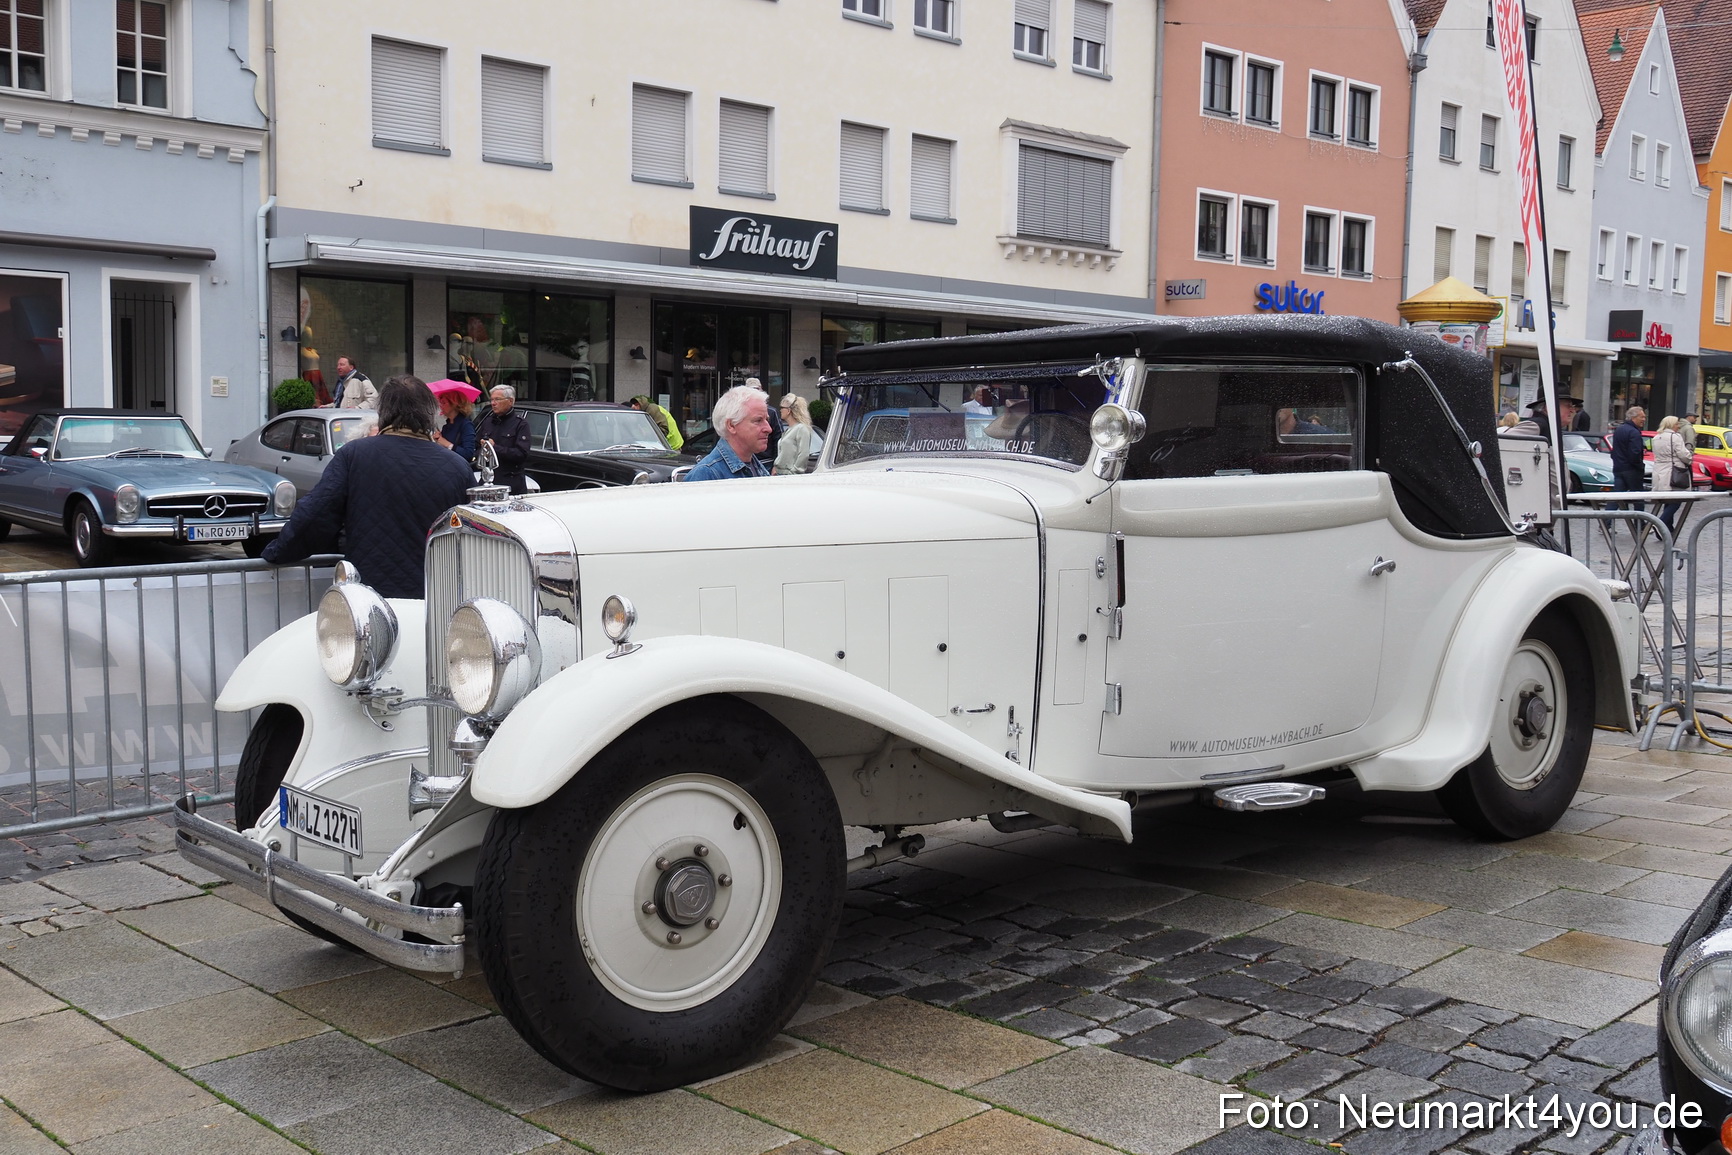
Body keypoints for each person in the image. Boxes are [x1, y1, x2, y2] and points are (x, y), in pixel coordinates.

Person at [262, 376, 473, 599]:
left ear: (383, 411)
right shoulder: (457, 466)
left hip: (370, 596)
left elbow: (316, 513)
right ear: (429, 412)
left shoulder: (355, 454)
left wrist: (278, 552)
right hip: (436, 597)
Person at [682, 384, 772, 481]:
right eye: (758, 421)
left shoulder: (756, 466)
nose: (768, 429)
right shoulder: (706, 474)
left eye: (767, 420)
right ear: (731, 425)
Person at [474, 385, 532, 494]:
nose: (493, 403)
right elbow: (476, 448)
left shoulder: (520, 424)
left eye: (497, 399)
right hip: (488, 482)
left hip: (510, 484)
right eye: (491, 400)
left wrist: (494, 448)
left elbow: (522, 454)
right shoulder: (488, 422)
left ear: (510, 401)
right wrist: (484, 452)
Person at [1651, 415, 1693, 530]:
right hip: (1673, 472)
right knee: (1676, 500)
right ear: (1671, 425)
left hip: (1659, 472)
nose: (1678, 426)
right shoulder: (1675, 437)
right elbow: (1683, 455)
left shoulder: (1656, 437)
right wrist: (1690, 457)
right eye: (1676, 424)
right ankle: (1660, 523)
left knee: (1667, 501)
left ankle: (1667, 529)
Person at [1610, 405, 1647, 511]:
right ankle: (1640, 524)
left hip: (1619, 468)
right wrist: (1640, 466)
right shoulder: (1634, 432)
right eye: (1642, 417)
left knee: (1616, 497)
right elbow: (1635, 453)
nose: (1644, 420)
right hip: (1632, 470)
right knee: (1638, 499)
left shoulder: (1619, 430)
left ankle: (1605, 523)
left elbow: (1614, 451)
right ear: (1633, 417)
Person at [434, 390, 477, 465]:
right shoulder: (446, 427)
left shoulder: (466, 425)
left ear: (454, 404)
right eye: (440, 402)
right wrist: (437, 441)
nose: (440, 406)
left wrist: (447, 444)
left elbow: (468, 454)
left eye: (444, 402)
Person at [775, 394, 814, 475]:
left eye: (782, 408)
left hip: (790, 476)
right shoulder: (789, 430)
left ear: (789, 410)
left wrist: (794, 472)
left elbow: (804, 454)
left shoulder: (801, 428)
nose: (780, 410)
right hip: (780, 474)